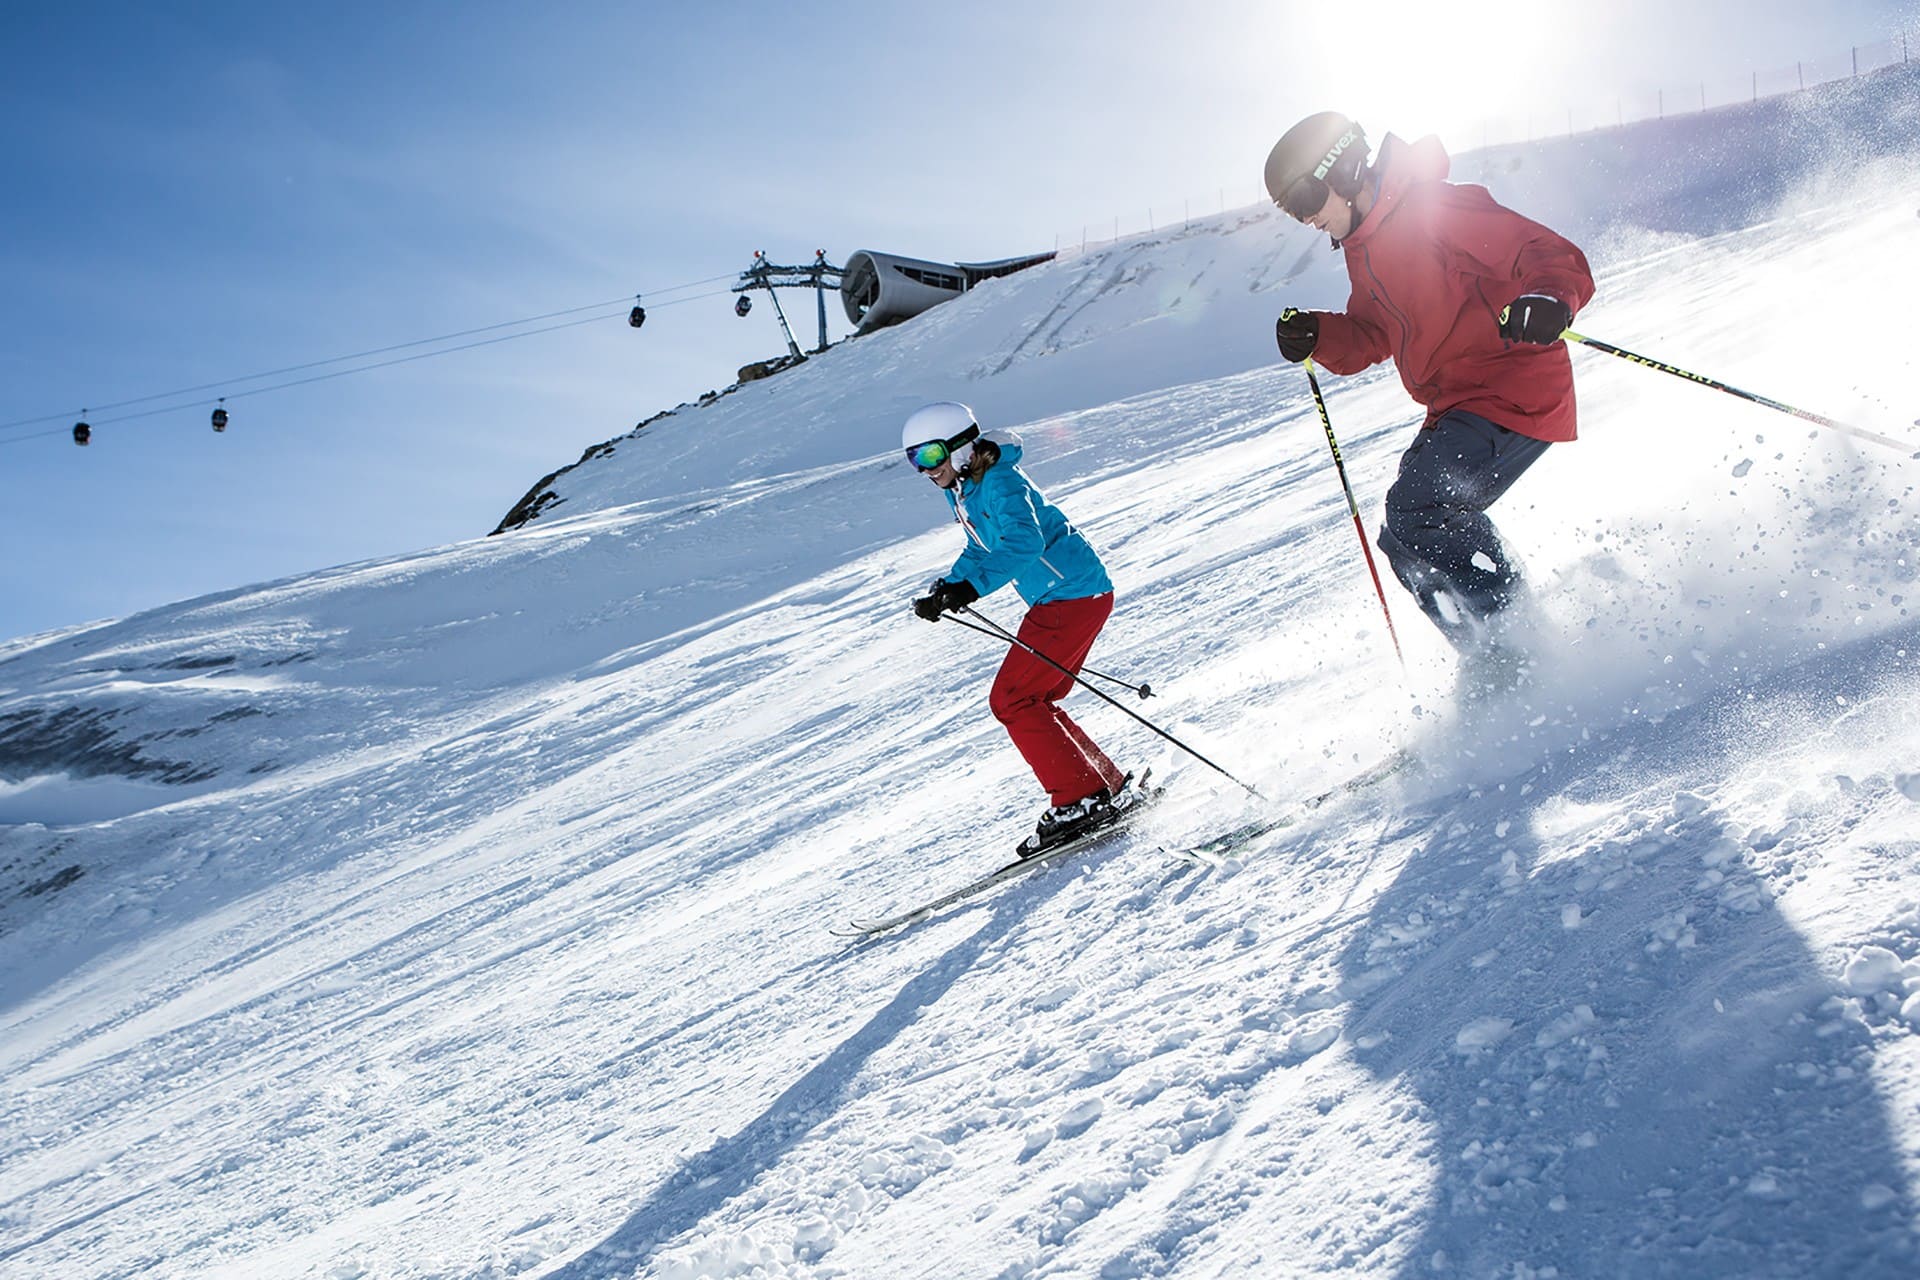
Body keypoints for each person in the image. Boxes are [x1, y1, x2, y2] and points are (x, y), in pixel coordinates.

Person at [1263, 111, 1595, 678]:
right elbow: (1372, 334)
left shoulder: (1434, 207)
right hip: (1460, 404)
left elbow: (1542, 252)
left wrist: (1548, 298)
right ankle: (1491, 659)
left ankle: (1521, 646)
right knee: (1403, 539)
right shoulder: (1364, 247)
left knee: (1422, 509)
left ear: (1339, 169)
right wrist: (1320, 335)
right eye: (1293, 211)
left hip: (1510, 385)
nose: (1307, 218)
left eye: (1305, 198)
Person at [901, 401, 1137, 853]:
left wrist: (972, 587)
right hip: (1069, 594)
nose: (924, 470)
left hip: (1071, 594)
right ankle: (1101, 787)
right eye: (914, 460)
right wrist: (949, 586)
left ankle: (1080, 798)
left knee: (1012, 698)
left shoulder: (1001, 481)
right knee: (1031, 698)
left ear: (960, 448)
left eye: (930, 457)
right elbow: (980, 548)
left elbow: (1023, 542)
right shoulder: (966, 490)